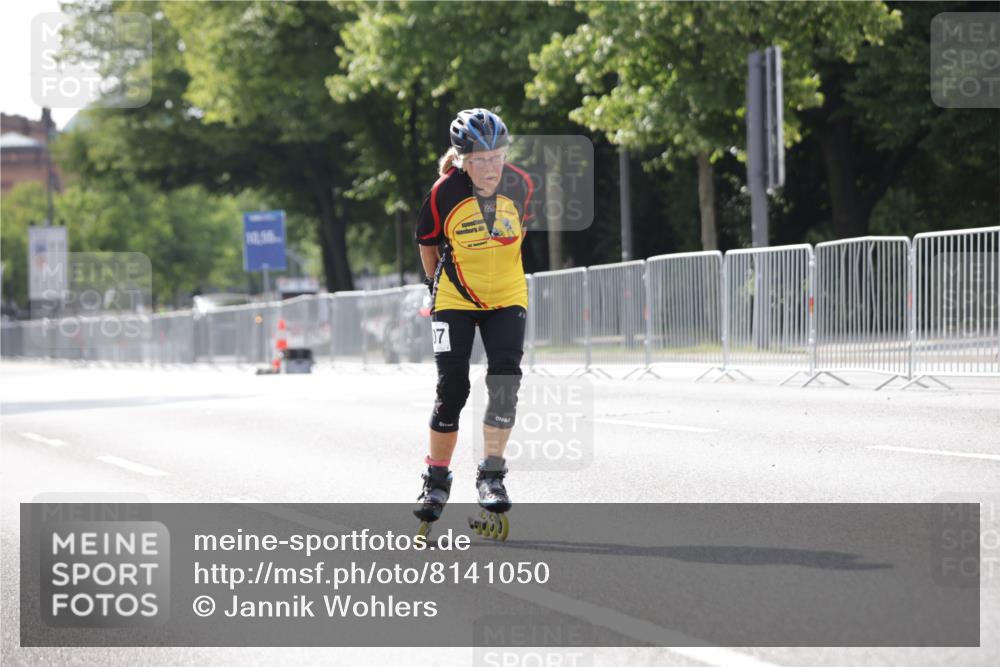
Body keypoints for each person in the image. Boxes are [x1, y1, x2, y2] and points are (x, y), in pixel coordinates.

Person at [412, 108, 534, 527]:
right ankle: (436, 480)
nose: (490, 167)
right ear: (462, 159)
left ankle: (492, 477)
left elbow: (519, 236)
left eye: (497, 157)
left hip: (507, 296)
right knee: (452, 388)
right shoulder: (443, 192)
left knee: (504, 382)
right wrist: (434, 286)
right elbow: (427, 243)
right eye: (480, 160)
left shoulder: (521, 186)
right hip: (454, 299)